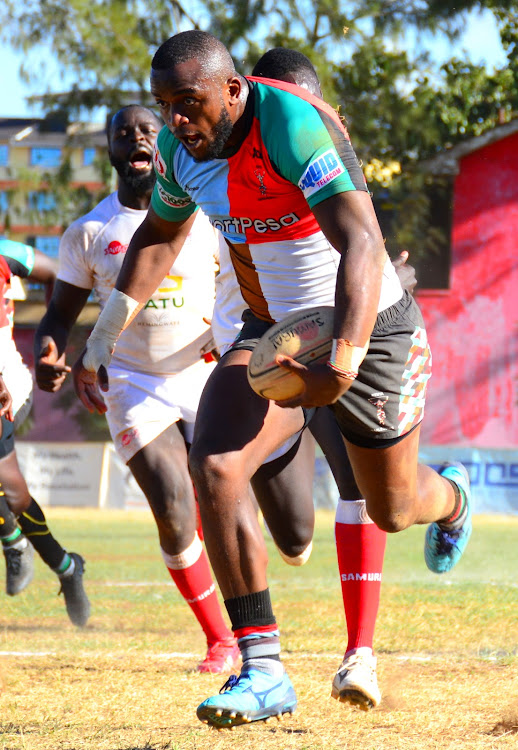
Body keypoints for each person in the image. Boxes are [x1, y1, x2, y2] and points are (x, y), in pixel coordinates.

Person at [75, 31, 472, 729]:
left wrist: (342, 363)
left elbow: (363, 242)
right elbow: (160, 239)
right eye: (165, 105)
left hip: (367, 327)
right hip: (275, 332)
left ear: (233, 91)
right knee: (217, 464)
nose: (175, 122)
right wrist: (99, 341)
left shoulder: (290, 122)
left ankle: (454, 499)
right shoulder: (178, 149)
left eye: (188, 103)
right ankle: (263, 670)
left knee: (393, 508)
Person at [34, 105, 242, 673]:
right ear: (110, 149)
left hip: (205, 370)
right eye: (123, 133)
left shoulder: (203, 214)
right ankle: (223, 640)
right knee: (173, 505)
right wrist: (48, 351)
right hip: (130, 381)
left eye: (147, 130)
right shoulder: (89, 232)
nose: (137, 139)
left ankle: (245, 607)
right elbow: (59, 316)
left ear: (167, 140)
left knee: (225, 502)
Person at [0, 237, 90, 627]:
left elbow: (58, 273)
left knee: (10, 491)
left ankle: (13, 541)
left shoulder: (8, 252)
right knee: (13, 492)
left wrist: (56, 344)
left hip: (7, 385)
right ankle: (66, 566)